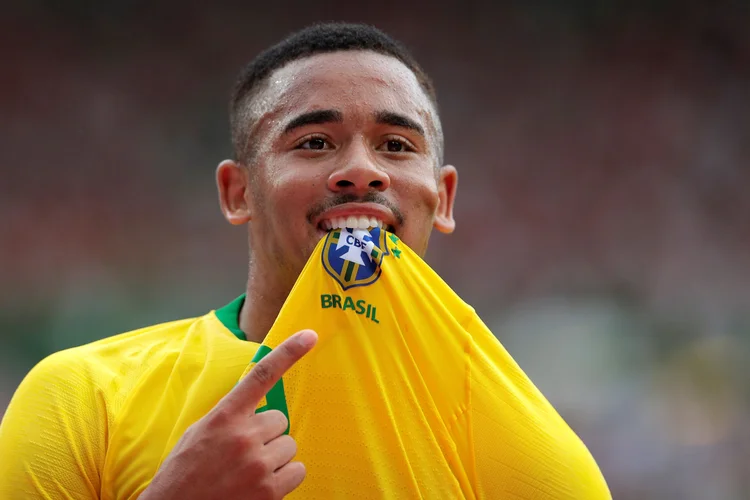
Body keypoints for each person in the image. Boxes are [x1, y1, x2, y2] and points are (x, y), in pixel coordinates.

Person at [0, 22, 610, 499]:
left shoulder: (526, 444)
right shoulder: (83, 400)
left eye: (396, 146)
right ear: (238, 192)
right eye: (314, 143)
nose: (362, 171)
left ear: (442, 197)